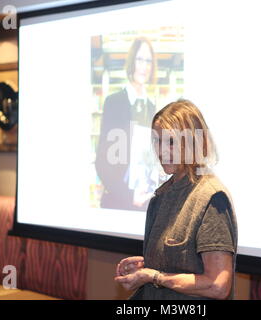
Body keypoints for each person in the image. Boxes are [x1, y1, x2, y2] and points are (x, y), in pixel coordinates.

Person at [114, 100, 238, 300]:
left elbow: (217, 285)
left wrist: (154, 276)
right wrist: (145, 267)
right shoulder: (162, 196)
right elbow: (182, 265)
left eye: (171, 141)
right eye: (156, 140)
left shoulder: (212, 198)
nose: (161, 150)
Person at [95, 37, 158, 211]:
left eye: (148, 61)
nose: (144, 66)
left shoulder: (154, 109)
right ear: (131, 61)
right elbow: (102, 161)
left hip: (147, 204)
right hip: (118, 202)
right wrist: (129, 196)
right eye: (139, 59)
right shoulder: (114, 102)